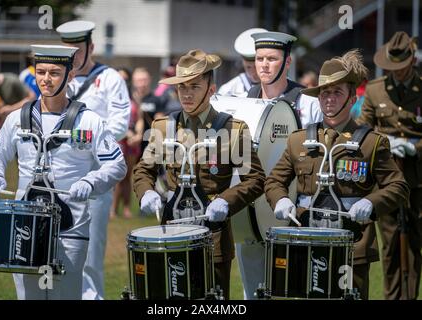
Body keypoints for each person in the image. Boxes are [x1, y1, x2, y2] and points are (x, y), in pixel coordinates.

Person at [0, 44, 127, 299]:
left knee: (66, 295)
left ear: (70, 76)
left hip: (71, 227)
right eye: (40, 72)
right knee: (29, 295)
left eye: (54, 73)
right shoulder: (17, 118)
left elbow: (117, 164)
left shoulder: (89, 120)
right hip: (25, 225)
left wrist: (92, 182)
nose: (46, 79)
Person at [265, 49, 410, 300]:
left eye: (337, 92)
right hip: (307, 240)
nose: (329, 99)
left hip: (352, 244)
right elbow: (274, 180)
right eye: (325, 93)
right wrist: (280, 199)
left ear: (352, 98)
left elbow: (399, 186)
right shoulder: (299, 140)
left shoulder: (371, 143)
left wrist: (371, 202)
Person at [133, 49, 265, 299]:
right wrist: (146, 192)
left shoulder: (232, 129)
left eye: (194, 86)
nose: (187, 93)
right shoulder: (164, 127)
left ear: (211, 89)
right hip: (171, 231)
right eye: (182, 87)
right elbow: (143, 169)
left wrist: (227, 200)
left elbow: (256, 179)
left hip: (213, 236)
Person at [236, 31, 323, 299]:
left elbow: (317, 161)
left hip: (292, 209)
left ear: (287, 62)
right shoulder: (243, 101)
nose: (263, 64)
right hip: (250, 210)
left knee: (291, 288)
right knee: (252, 292)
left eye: (272, 59)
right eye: (260, 58)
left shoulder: (308, 104)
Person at [56, 20, 131, 301]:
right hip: (58, 176)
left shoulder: (110, 78)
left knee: (90, 253)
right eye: (68, 49)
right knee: (55, 249)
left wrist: (84, 143)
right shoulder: (58, 76)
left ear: (91, 48)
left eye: (78, 49)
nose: (72, 55)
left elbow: (120, 123)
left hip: (95, 174)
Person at [356, 31, 422, 300]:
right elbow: (363, 130)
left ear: (412, 61)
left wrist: (415, 147)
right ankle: (391, 297)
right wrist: (386, 143)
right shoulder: (375, 89)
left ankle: (409, 296)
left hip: (418, 178)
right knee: (390, 244)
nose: (399, 73)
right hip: (388, 179)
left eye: (403, 68)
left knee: (415, 244)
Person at [110, 67, 144, 219]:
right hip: (119, 139)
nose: (121, 81)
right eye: (119, 78)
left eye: (124, 78)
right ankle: (112, 210)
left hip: (132, 142)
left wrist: (138, 134)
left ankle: (127, 209)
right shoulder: (111, 97)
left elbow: (140, 119)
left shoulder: (134, 97)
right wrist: (129, 133)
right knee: (117, 175)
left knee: (128, 176)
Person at [218, 28, 267, 97]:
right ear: (243, 63)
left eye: (256, 67)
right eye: (248, 67)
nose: (253, 73)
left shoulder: (279, 87)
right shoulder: (228, 90)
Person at [132, 67, 165, 153]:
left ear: (149, 80)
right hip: (130, 143)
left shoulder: (156, 100)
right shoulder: (128, 99)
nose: (142, 84)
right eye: (139, 80)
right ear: (133, 82)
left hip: (149, 144)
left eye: (144, 80)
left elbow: (160, 122)